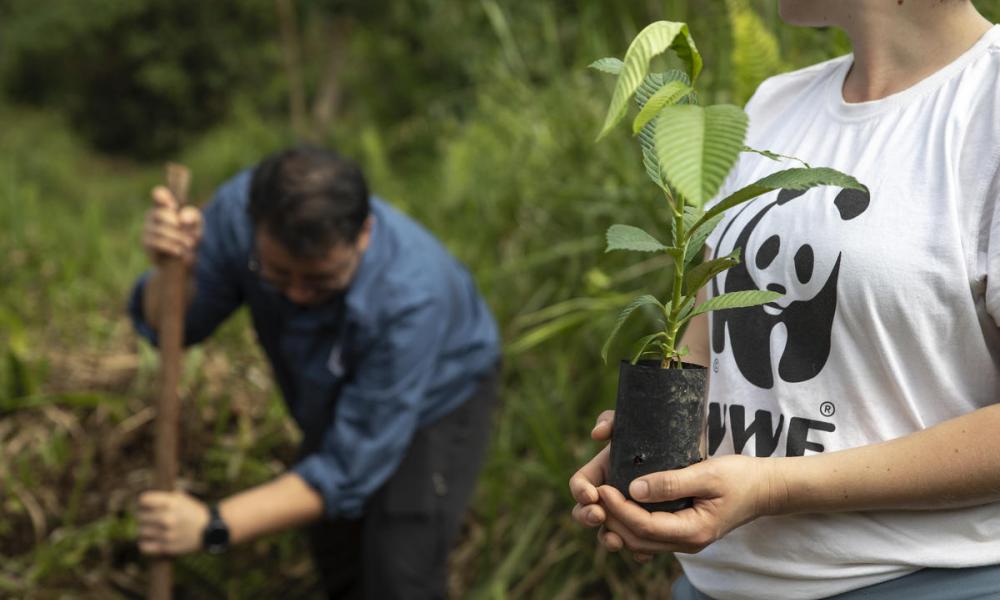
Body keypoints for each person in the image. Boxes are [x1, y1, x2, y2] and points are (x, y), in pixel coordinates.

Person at [570, 1, 1000, 598]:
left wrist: (775, 487)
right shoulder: (774, 104)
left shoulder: (987, 105)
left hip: (922, 580)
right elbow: (705, 323)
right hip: (717, 581)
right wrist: (656, 456)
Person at [131, 146, 501, 599]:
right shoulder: (234, 215)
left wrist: (212, 526)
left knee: (399, 571)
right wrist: (174, 269)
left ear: (364, 233)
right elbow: (172, 324)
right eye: (278, 276)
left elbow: (347, 467)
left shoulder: (410, 297)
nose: (299, 295)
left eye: (321, 281)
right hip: (333, 384)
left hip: (438, 396)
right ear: (256, 227)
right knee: (336, 551)